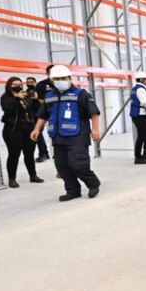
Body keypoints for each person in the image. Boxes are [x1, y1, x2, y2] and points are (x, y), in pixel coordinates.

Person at [30, 65, 101, 201]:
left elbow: (93, 113)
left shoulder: (81, 94)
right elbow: (43, 115)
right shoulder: (49, 96)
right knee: (62, 166)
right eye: (56, 78)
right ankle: (73, 190)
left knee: (78, 164)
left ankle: (93, 184)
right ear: (52, 80)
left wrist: (95, 129)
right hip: (58, 137)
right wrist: (37, 129)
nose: (60, 80)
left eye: (62, 78)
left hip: (77, 136)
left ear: (69, 78)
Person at [0, 77, 44, 188]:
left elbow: (36, 110)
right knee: (14, 154)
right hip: (13, 129)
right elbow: (8, 110)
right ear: (9, 86)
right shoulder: (6, 97)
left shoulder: (26, 96)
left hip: (28, 127)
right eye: (15, 84)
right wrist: (17, 99)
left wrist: (37, 100)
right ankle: (12, 179)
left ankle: (33, 175)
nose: (18, 85)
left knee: (29, 153)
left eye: (19, 83)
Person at [130, 71, 146, 163]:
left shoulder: (135, 88)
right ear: (141, 80)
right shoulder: (141, 89)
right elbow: (144, 102)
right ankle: (138, 157)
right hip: (140, 115)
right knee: (142, 136)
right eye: (145, 79)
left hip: (139, 115)